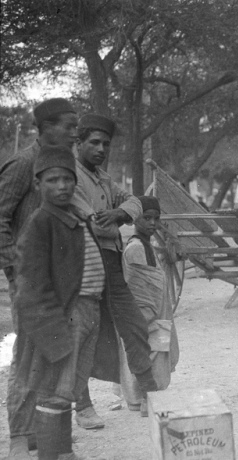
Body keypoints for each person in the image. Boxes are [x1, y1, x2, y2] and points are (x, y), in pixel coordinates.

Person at [0, 98, 78, 459]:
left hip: (61, 284)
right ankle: (20, 433)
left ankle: (50, 436)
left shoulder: (64, 166)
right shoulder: (23, 165)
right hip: (29, 283)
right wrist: (15, 273)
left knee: (57, 356)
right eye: (67, 125)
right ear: (44, 129)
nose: (73, 133)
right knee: (27, 357)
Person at [14, 145, 103, 460]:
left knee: (70, 388)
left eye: (68, 179)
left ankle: (62, 451)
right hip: (66, 316)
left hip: (89, 309)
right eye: (52, 180)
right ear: (38, 185)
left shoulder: (74, 216)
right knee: (55, 391)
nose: (62, 186)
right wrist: (53, 332)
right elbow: (31, 286)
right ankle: (52, 454)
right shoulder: (40, 223)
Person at [70, 113, 158, 426]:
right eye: (93, 143)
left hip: (111, 262)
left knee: (135, 325)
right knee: (85, 334)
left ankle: (149, 394)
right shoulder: (71, 176)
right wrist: (116, 219)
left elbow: (136, 201)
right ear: (78, 144)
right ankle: (82, 406)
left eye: (105, 144)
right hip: (84, 263)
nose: (101, 149)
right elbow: (93, 224)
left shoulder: (103, 177)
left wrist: (120, 212)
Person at [117, 196, 180, 410]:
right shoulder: (135, 248)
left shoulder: (147, 245)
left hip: (155, 310)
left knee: (154, 346)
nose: (152, 223)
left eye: (156, 218)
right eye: (147, 218)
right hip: (145, 311)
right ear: (136, 219)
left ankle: (142, 396)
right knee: (145, 348)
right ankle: (142, 397)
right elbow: (140, 289)